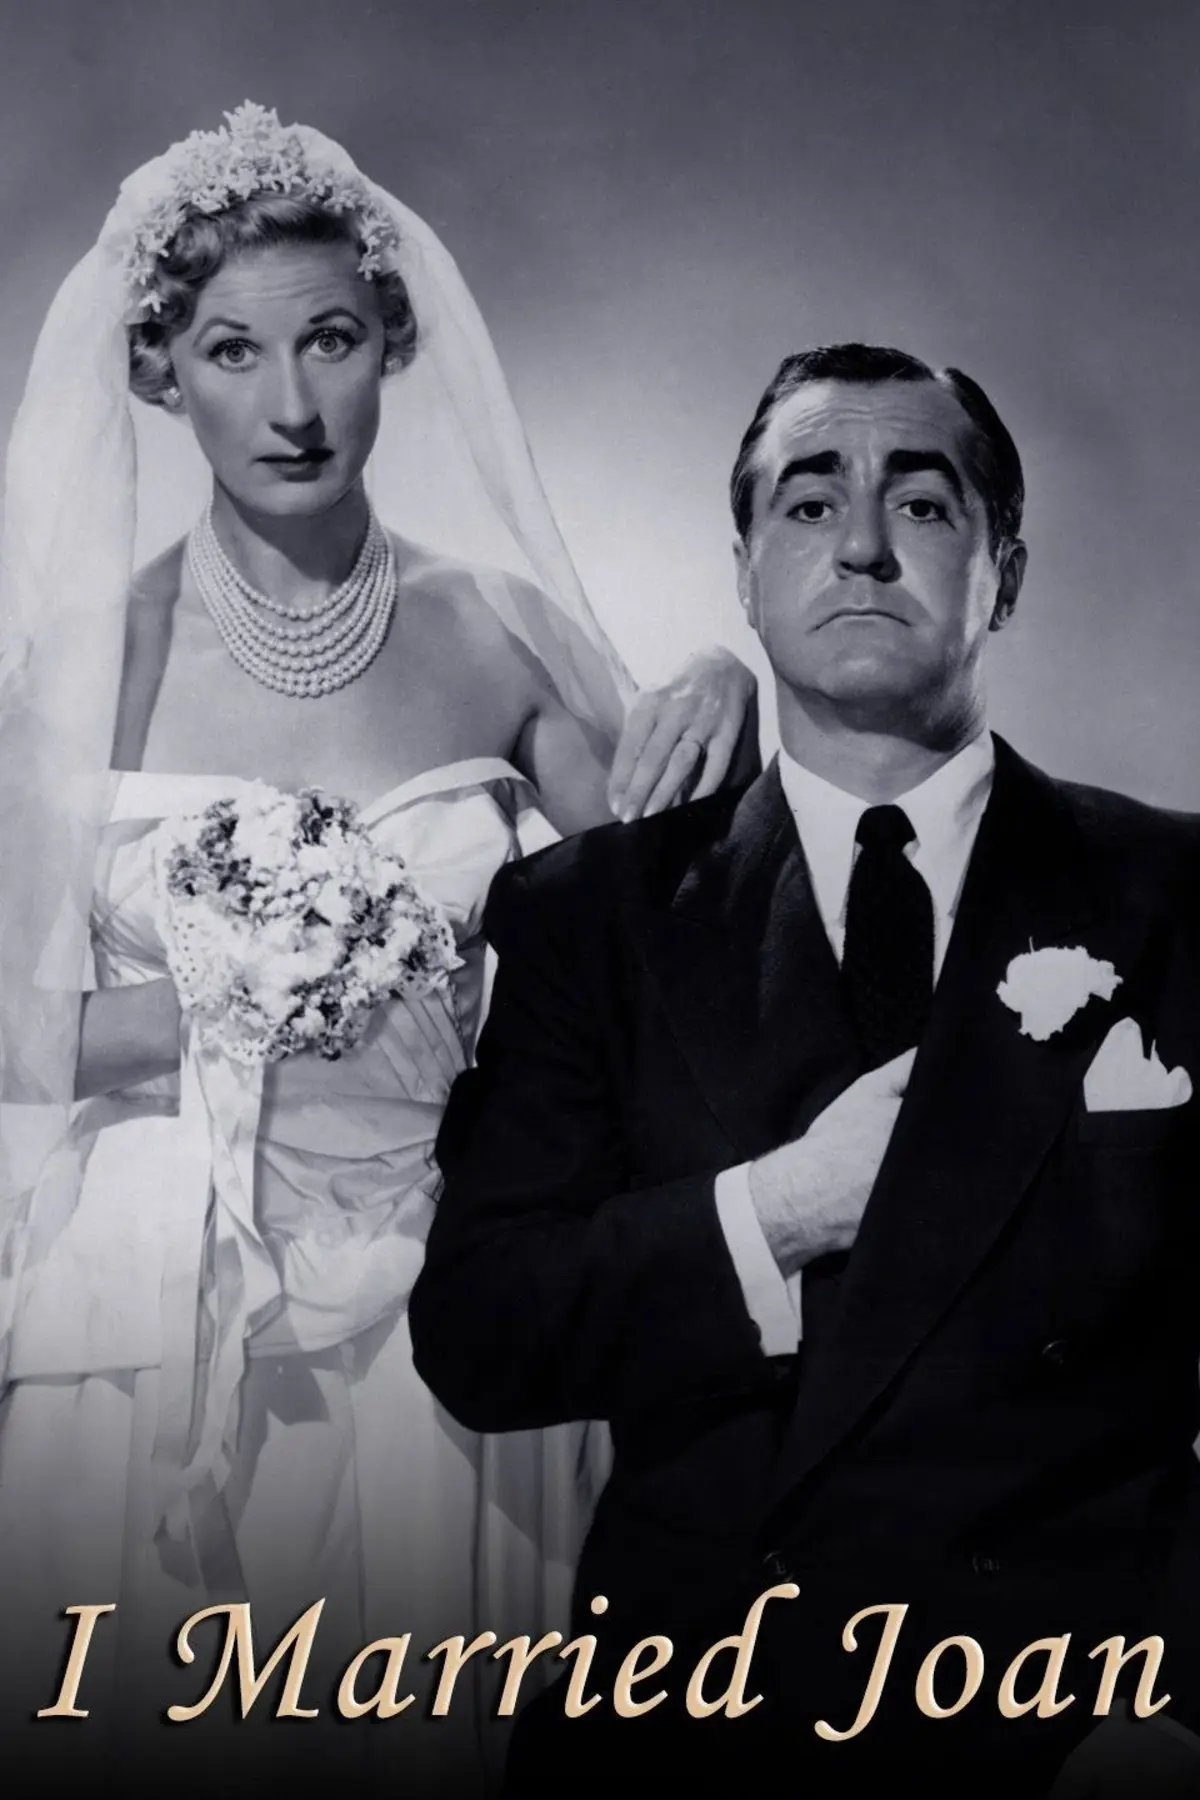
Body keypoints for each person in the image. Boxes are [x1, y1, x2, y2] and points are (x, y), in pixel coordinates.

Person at [0, 104, 759, 1796]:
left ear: (393, 345)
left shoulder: (499, 632)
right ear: (161, 372)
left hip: (438, 1301)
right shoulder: (90, 657)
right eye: (234, 351)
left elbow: (685, 946)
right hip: (148, 1310)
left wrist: (728, 687)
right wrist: (227, 1004)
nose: (292, 404)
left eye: (332, 340)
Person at [412, 344, 1200, 1797]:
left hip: (1073, 1727)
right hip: (693, 1727)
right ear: (746, 573)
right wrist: (775, 1214)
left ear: (1006, 577)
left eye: (924, 504)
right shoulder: (594, 914)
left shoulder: (1174, 891)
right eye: (809, 503)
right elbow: (481, 1331)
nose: (861, 546)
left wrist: (1175, 1706)